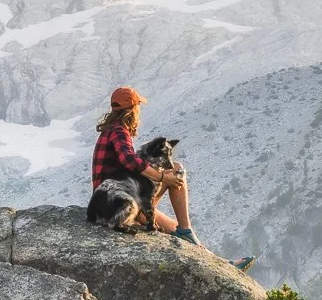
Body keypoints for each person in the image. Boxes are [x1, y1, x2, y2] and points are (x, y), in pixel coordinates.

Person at [92, 86, 254, 272]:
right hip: (119, 204)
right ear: (132, 110)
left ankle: (223, 265)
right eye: (138, 107)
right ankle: (188, 230)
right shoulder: (119, 132)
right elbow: (129, 161)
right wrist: (162, 177)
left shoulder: (110, 131)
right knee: (176, 170)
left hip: (116, 205)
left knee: (177, 231)